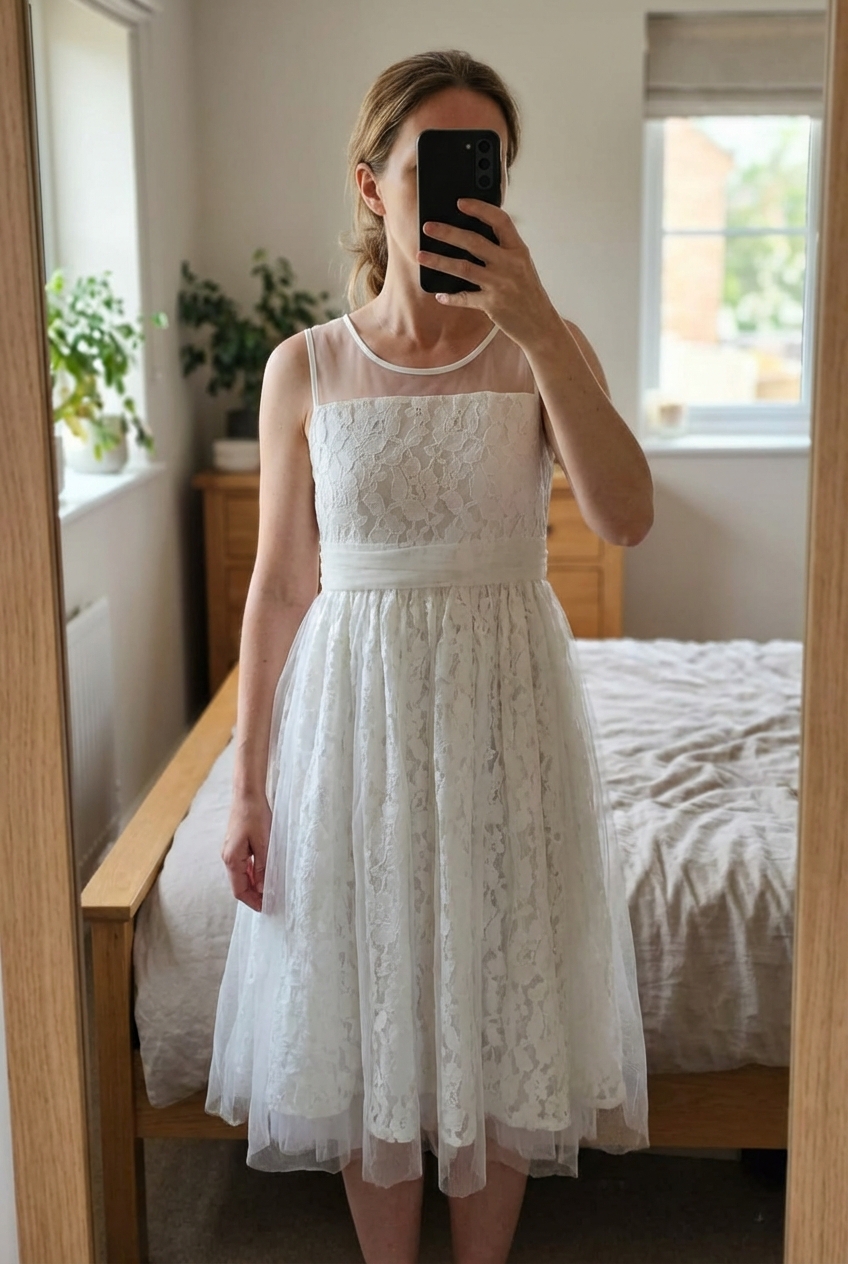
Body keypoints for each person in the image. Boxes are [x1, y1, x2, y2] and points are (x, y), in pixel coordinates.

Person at [205, 48, 654, 1264]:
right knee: (369, 1007)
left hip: (505, 713)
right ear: (371, 186)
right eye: (432, 167)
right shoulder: (303, 365)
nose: (464, 193)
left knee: (498, 1005)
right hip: (354, 720)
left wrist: (540, 327)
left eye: (485, 168)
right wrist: (247, 785)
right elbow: (280, 585)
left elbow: (623, 517)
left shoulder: (541, 347)